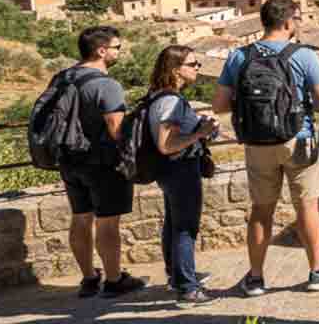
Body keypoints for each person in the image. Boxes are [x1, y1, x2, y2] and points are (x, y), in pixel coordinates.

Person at [214, 0, 319, 297]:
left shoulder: (238, 57)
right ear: (287, 22)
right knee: (307, 206)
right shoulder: (304, 56)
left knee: (261, 210)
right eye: (297, 19)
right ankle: (318, 271)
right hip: (298, 139)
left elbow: (219, 104)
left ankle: (256, 278)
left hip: (257, 143)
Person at [60, 26, 147, 300]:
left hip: (70, 160)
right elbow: (116, 129)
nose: (119, 51)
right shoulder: (106, 84)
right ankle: (113, 280)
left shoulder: (63, 77)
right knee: (108, 223)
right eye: (117, 47)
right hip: (101, 164)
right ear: (101, 50)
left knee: (80, 219)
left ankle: (88, 279)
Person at [147, 45, 219, 306]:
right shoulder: (171, 101)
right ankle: (188, 287)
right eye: (193, 64)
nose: (198, 68)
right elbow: (166, 144)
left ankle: (178, 276)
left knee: (173, 224)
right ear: (176, 69)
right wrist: (200, 133)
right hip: (179, 170)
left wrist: (199, 126)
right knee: (186, 228)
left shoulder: (159, 95)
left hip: (169, 171)